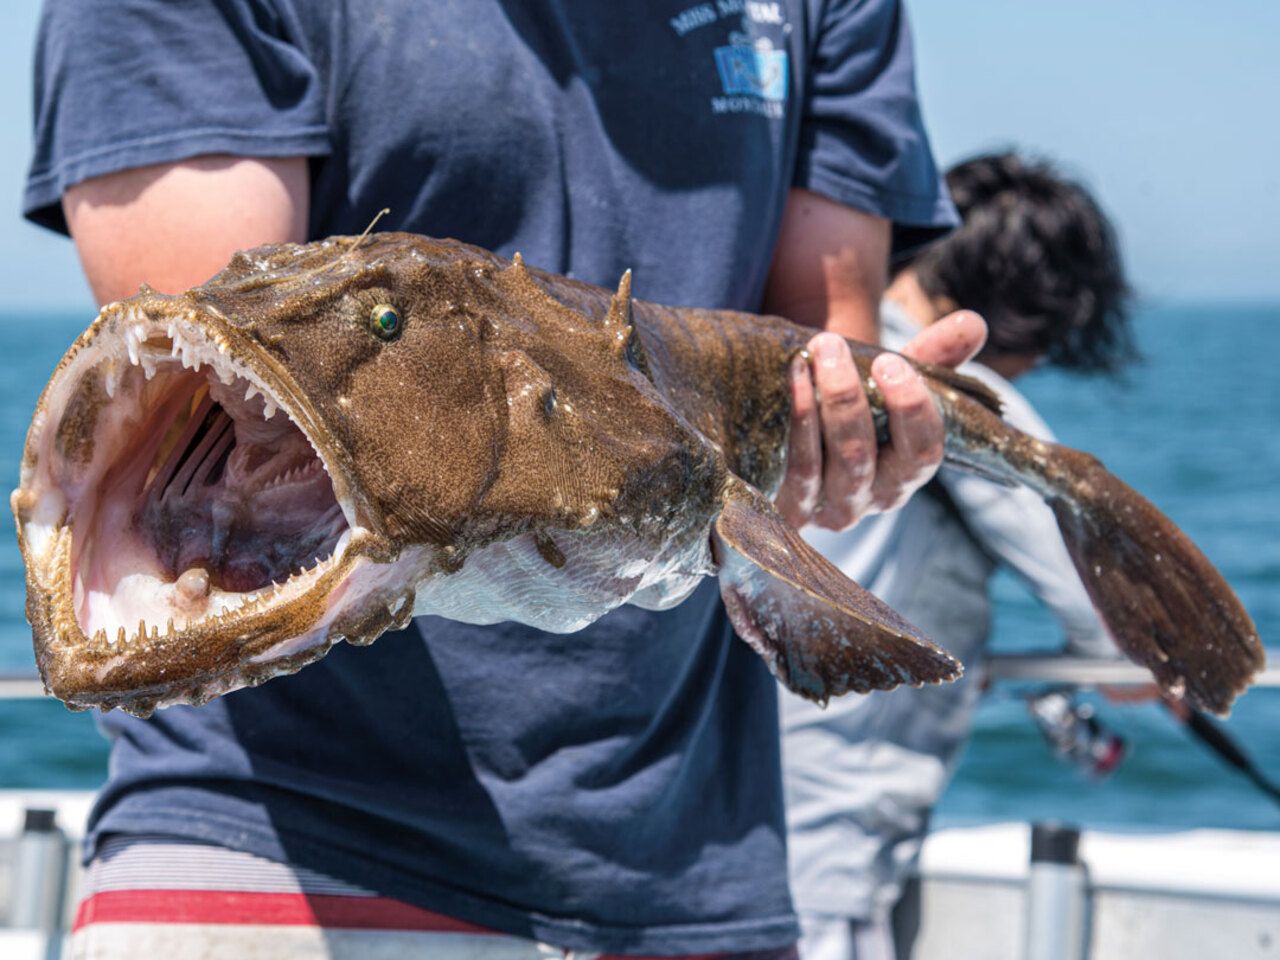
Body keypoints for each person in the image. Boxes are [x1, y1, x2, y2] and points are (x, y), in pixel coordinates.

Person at [26, 2, 985, 958]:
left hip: (695, 872)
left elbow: (821, 345)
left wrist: (853, 441)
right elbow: (216, 359)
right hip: (276, 850)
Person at [780, 151, 1136, 960]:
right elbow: (1110, 615)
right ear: (1031, 308)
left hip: (737, 790)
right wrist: (1151, 665)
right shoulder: (944, 387)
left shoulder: (814, 355)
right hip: (831, 815)